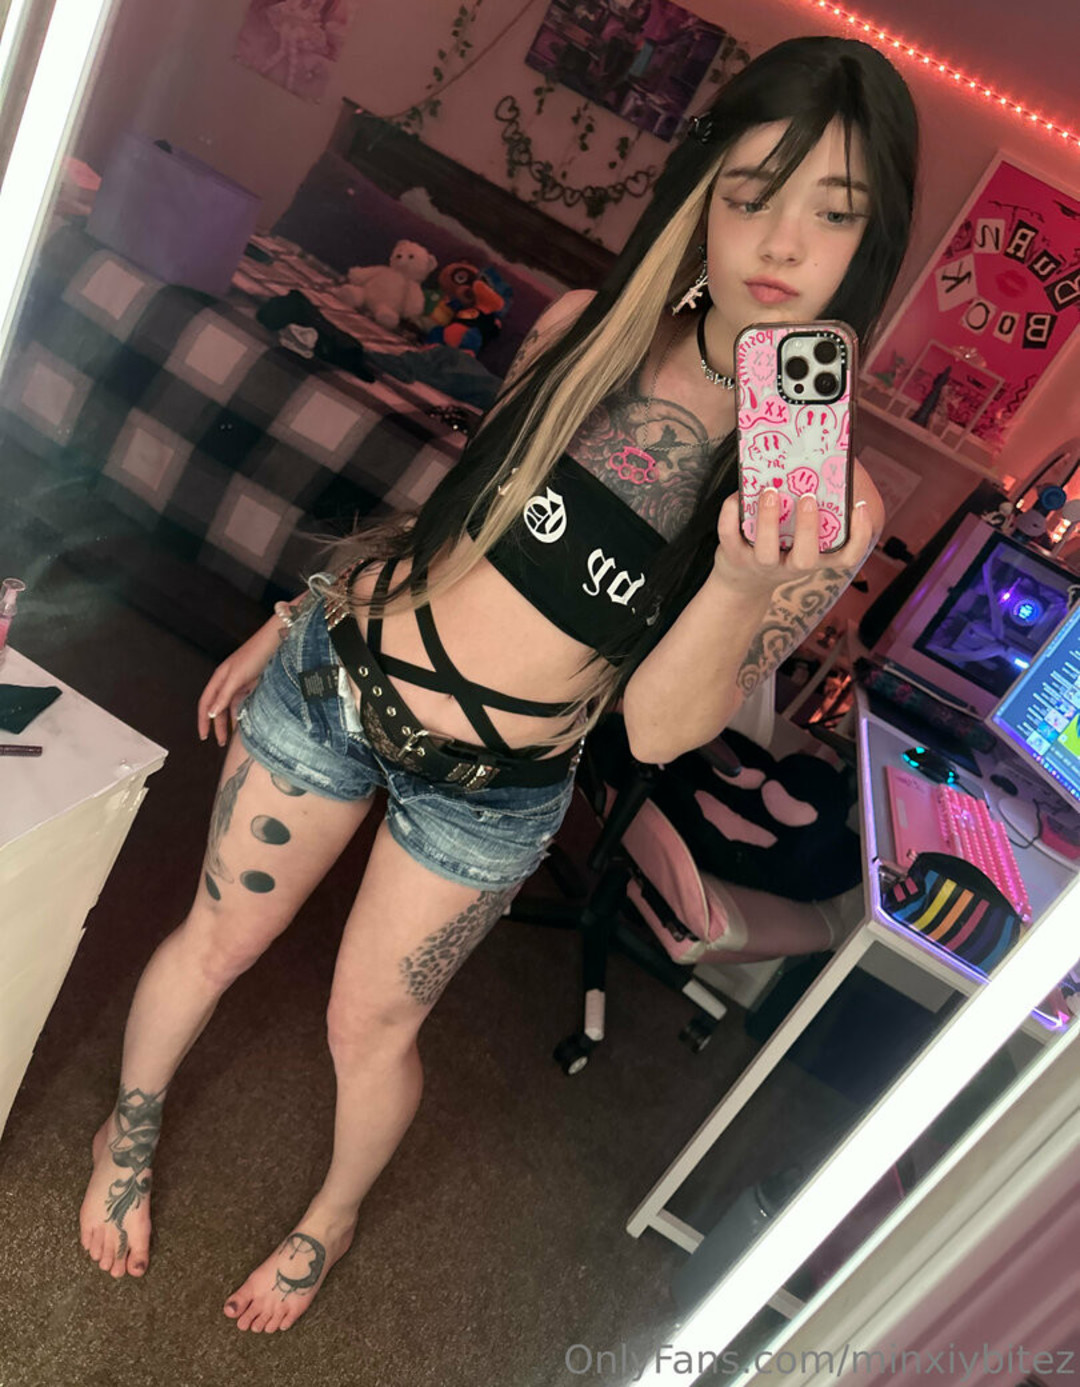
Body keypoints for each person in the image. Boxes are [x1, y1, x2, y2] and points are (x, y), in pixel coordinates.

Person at [79, 34, 918, 1332]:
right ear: (702, 192)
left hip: (495, 787)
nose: (783, 242)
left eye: (835, 210)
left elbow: (657, 727)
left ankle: (331, 1215)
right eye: (753, 191)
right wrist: (302, 611)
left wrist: (745, 581)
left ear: (873, 240)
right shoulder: (583, 334)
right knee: (218, 938)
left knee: (368, 1029)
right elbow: (448, 529)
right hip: (342, 681)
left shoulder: (831, 512)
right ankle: (122, 1135)